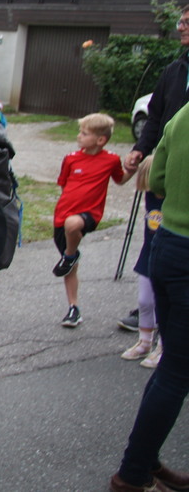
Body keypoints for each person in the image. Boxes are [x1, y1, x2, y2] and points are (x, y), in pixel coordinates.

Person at [109, 103, 189, 492]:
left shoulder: (183, 115)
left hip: (168, 245)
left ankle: (143, 460)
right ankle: (133, 472)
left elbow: (155, 178)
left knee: (172, 366)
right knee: (177, 372)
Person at [119, 4, 189, 331]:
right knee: (155, 236)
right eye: (181, 21)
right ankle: (149, 308)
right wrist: (139, 150)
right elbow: (155, 116)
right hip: (163, 172)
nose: (181, 27)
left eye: (187, 22)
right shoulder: (174, 69)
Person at [51, 113, 133, 327]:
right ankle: (73, 308)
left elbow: (120, 179)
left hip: (90, 214)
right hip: (62, 214)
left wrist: (132, 170)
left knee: (73, 225)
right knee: (70, 267)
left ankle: (70, 254)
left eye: (84, 133)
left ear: (100, 140)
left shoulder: (111, 160)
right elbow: (64, 185)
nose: (79, 136)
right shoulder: (71, 159)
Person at [119, 156, 163, 368]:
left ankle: (163, 347)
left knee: (166, 303)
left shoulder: (176, 198)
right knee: (145, 301)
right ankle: (145, 342)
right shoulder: (150, 195)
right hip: (149, 253)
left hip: (169, 254)